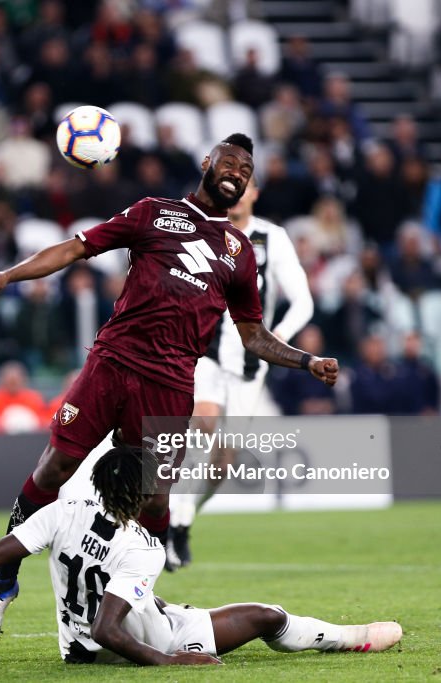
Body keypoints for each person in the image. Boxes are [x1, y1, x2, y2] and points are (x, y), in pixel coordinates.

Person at [0, 134, 339, 643]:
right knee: (55, 465)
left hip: (168, 385)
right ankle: (6, 575)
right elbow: (77, 247)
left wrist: (306, 360)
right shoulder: (153, 213)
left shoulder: (240, 254)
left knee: (156, 501)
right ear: (207, 163)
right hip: (112, 363)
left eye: (246, 170)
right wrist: (9, 276)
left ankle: (141, 596)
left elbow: (252, 335)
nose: (235, 172)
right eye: (228, 161)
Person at [0, 446, 402, 665]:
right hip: (141, 645)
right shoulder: (142, 547)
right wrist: (171, 661)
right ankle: (350, 637)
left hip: (77, 649)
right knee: (266, 616)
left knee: (151, 604)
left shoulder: (60, 512)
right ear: (136, 492)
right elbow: (109, 629)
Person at [168, 177, 314, 569]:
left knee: (223, 463)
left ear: (254, 194)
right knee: (202, 424)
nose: (235, 194)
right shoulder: (203, 231)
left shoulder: (272, 237)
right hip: (204, 351)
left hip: (251, 362)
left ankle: (185, 518)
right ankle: (174, 523)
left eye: (243, 187)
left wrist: (276, 339)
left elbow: (303, 301)